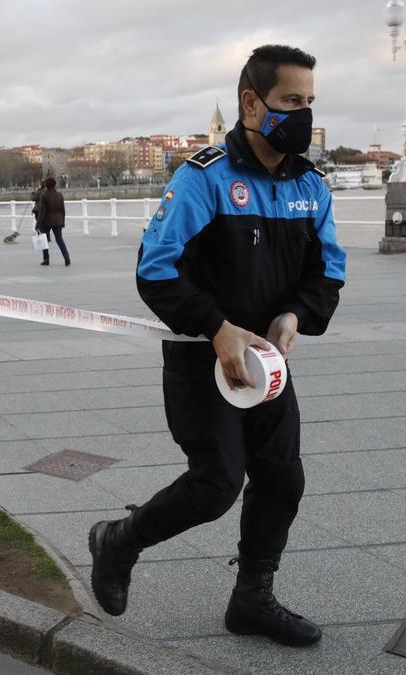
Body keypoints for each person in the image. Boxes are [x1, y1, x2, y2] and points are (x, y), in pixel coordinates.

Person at [88, 45, 345, 648]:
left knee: (283, 480)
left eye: (309, 102)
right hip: (203, 359)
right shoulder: (203, 178)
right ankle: (118, 540)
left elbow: (328, 269)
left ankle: (252, 599)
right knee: (216, 484)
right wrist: (218, 327)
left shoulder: (311, 185)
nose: (303, 114)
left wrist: (295, 316)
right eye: (291, 102)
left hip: (269, 366)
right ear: (251, 104)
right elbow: (156, 270)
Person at [36, 177, 70, 266]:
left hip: (47, 220)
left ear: (46, 185)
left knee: (45, 240)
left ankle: (46, 259)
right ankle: (66, 257)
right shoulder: (59, 195)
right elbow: (63, 210)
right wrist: (63, 221)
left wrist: (38, 224)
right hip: (58, 220)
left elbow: (42, 211)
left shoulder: (44, 195)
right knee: (59, 239)